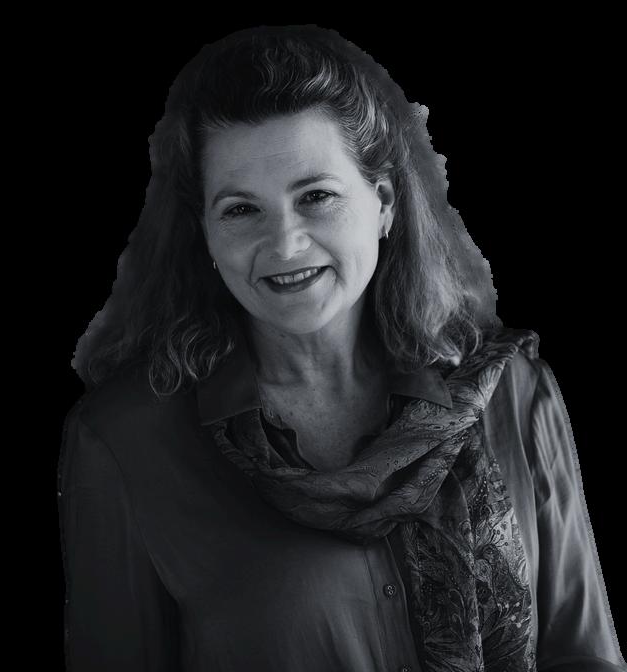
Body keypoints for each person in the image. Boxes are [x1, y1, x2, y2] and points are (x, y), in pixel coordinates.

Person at [58, 25, 625, 672]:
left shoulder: (515, 395)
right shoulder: (123, 444)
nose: (285, 244)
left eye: (316, 197)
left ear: (383, 204)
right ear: (206, 235)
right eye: (241, 209)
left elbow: (583, 658)